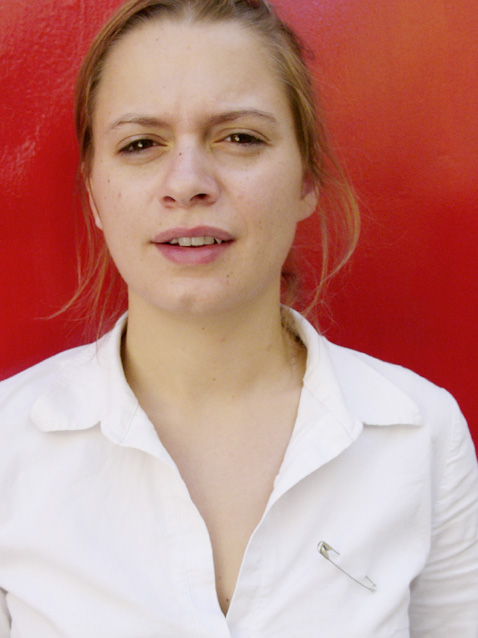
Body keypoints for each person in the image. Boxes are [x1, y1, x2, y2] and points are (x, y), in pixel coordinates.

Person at [0, 0, 477, 636]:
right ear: (94, 193)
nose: (187, 183)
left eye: (240, 137)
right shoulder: (8, 447)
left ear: (305, 178)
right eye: (140, 144)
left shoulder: (421, 435)